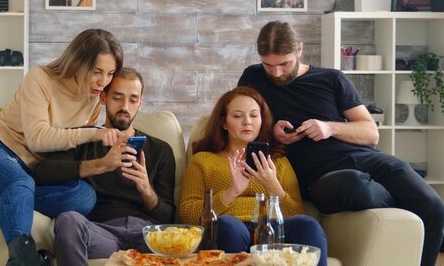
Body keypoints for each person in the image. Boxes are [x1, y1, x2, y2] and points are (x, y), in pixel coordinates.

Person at [238, 20, 444, 266]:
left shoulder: (331, 78)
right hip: (320, 177)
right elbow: (239, 120)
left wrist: (329, 127)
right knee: (352, 184)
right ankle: (403, 205)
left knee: (433, 206)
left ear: (299, 50)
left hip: (367, 158)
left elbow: (370, 133)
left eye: (284, 63)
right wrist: (271, 132)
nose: (276, 73)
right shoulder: (253, 77)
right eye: (268, 65)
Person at [0, 29, 124, 266]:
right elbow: (38, 139)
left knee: (84, 195)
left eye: (110, 73)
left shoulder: (94, 99)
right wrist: (94, 133)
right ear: (77, 62)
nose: (103, 82)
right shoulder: (40, 79)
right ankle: (24, 258)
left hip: (28, 173)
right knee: (20, 182)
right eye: (97, 72)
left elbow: (67, 147)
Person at [32, 68, 176, 266]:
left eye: (133, 100)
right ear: (103, 97)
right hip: (99, 231)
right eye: (117, 97)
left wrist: (146, 190)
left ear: (140, 103)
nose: (125, 106)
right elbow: (41, 173)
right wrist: (100, 165)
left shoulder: (160, 150)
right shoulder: (82, 139)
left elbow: (168, 216)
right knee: (68, 219)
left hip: (146, 234)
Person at [179, 86, 327, 264]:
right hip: (231, 228)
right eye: (237, 116)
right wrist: (232, 191)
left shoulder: (278, 161)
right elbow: (188, 215)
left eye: (254, 115)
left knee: (308, 225)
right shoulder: (202, 160)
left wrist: (273, 186)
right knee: (227, 225)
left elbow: (296, 213)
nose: (247, 122)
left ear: (262, 121)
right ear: (224, 123)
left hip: (272, 230)